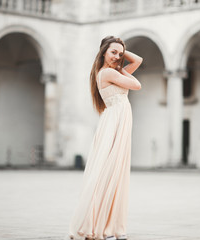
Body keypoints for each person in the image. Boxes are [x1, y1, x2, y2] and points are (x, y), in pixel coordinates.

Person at [68, 36, 143, 240]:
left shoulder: (113, 71)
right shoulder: (109, 72)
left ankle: (110, 226)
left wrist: (120, 49)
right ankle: (105, 227)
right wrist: (118, 60)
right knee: (110, 171)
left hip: (117, 120)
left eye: (120, 54)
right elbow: (137, 85)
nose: (118, 57)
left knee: (114, 172)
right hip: (115, 122)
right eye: (113, 52)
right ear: (102, 52)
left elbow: (138, 61)